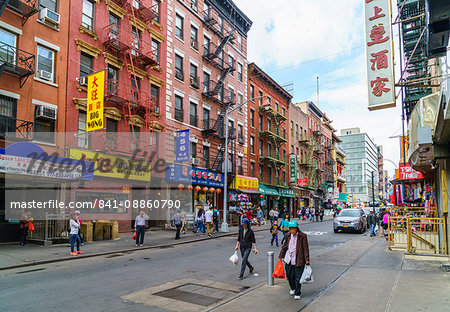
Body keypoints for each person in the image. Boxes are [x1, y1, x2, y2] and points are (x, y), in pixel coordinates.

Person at [279, 220, 310, 300]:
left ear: (297, 228)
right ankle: (293, 288)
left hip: (299, 259)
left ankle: (297, 292)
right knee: (289, 276)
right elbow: (285, 245)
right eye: (290, 229)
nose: (292, 230)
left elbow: (305, 249)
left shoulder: (302, 236)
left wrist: (307, 260)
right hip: (289, 258)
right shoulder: (288, 235)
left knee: (298, 277)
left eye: (293, 229)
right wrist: (281, 255)